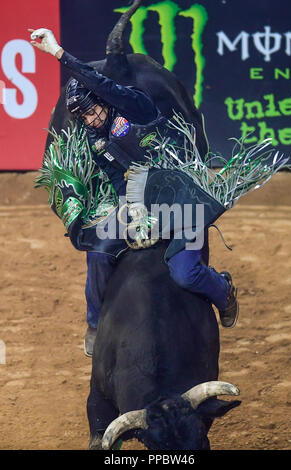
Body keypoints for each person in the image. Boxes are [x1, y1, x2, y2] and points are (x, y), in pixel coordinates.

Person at [29, 28, 239, 356]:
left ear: (102, 99)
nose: (91, 118)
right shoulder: (96, 139)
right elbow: (117, 179)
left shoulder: (135, 105)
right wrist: (128, 210)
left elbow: (97, 81)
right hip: (141, 206)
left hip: (181, 199)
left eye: (93, 109)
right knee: (98, 253)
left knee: (186, 274)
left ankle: (223, 291)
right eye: (83, 116)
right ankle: (95, 324)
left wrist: (58, 53)